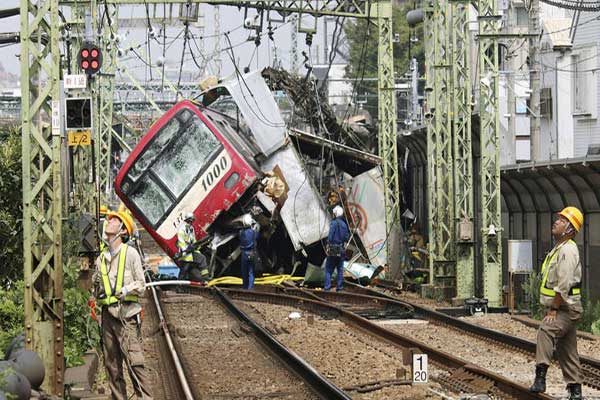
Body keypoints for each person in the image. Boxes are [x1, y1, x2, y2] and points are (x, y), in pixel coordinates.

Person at [92, 210, 153, 400]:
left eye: (115, 220)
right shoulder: (101, 259)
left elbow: (141, 284)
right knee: (112, 365)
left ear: (123, 230)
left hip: (126, 316)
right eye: (109, 220)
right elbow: (96, 288)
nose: (109, 222)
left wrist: (127, 289)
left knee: (135, 363)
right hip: (107, 317)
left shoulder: (130, 254)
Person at [530, 206, 584, 400]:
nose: (556, 222)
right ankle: (575, 390)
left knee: (546, 330)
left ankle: (540, 377)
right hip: (564, 307)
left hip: (565, 308)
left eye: (562, 220)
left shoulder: (567, 250)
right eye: (558, 218)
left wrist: (553, 309)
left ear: (569, 229)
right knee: (567, 349)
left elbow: (563, 284)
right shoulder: (559, 248)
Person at [176, 212, 209, 282]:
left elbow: (193, 239)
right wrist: (185, 249)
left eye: (192, 221)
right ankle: (179, 284)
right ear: (186, 220)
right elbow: (181, 241)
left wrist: (196, 246)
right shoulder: (181, 229)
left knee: (202, 258)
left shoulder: (191, 228)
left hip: (192, 252)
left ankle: (205, 278)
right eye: (190, 221)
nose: (191, 222)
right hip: (185, 254)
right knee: (185, 269)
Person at [324, 205, 350, 292]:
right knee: (340, 269)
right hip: (341, 248)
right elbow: (346, 237)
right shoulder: (344, 224)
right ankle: (339, 288)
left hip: (333, 248)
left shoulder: (334, 223)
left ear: (335, 214)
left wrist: (328, 245)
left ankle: (327, 288)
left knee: (328, 269)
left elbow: (330, 237)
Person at [239, 214, 259, 289]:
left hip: (244, 254)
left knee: (244, 272)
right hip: (251, 253)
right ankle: (250, 288)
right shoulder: (253, 232)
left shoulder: (241, 233)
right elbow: (258, 236)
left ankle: (244, 287)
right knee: (251, 272)